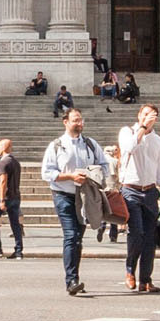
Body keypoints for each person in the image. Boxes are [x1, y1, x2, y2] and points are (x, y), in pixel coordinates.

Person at [40, 107, 109, 297]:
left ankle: (75, 277)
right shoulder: (56, 145)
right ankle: (71, 280)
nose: (79, 124)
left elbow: (104, 165)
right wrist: (70, 176)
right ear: (66, 122)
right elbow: (47, 173)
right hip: (64, 195)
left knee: (78, 238)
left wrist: (95, 175)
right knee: (71, 235)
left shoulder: (90, 144)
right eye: (75, 120)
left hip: (85, 195)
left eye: (81, 120)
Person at [116, 104, 160, 293]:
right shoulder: (127, 132)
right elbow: (129, 147)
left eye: (151, 115)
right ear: (139, 116)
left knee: (150, 238)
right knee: (136, 233)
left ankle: (146, 278)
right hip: (131, 190)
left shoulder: (157, 141)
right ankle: (130, 270)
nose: (147, 118)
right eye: (144, 114)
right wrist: (143, 128)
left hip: (150, 191)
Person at [0, 137, 24, 259]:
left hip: (6, 197)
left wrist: (2, 200)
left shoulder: (3, 163)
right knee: (15, 224)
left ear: (3, 148)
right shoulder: (16, 162)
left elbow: (3, 181)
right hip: (16, 197)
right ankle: (18, 251)